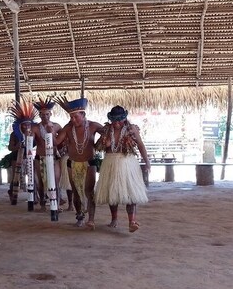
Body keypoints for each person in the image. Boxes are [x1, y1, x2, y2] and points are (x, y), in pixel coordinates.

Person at [95, 105, 150, 232]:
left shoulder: (132, 130)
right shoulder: (106, 130)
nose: (117, 123)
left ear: (124, 119)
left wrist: (147, 162)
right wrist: (105, 141)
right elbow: (98, 146)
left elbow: (140, 145)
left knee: (131, 194)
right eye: (114, 120)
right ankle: (114, 219)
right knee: (112, 193)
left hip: (127, 163)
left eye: (120, 120)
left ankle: (132, 221)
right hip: (110, 162)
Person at [51, 97, 104, 228]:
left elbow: (109, 133)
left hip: (89, 162)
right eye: (71, 117)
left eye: (76, 117)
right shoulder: (68, 128)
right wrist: (50, 132)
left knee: (89, 191)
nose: (73, 120)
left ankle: (91, 219)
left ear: (83, 114)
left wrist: (100, 142)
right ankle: (79, 216)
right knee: (75, 191)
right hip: (72, 163)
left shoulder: (93, 126)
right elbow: (56, 142)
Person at [32, 98, 62, 209]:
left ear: (51, 114)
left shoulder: (57, 126)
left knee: (56, 181)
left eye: (47, 114)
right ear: (39, 115)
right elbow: (31, 142)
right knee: (40, 182)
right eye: (42, 114)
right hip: (40, 158)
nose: (45, 116)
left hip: (54, 158)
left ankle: (56, 205)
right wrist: (29, 135)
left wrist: (52, 133)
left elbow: (63, 141)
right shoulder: (35, 128)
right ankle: (42, 204)